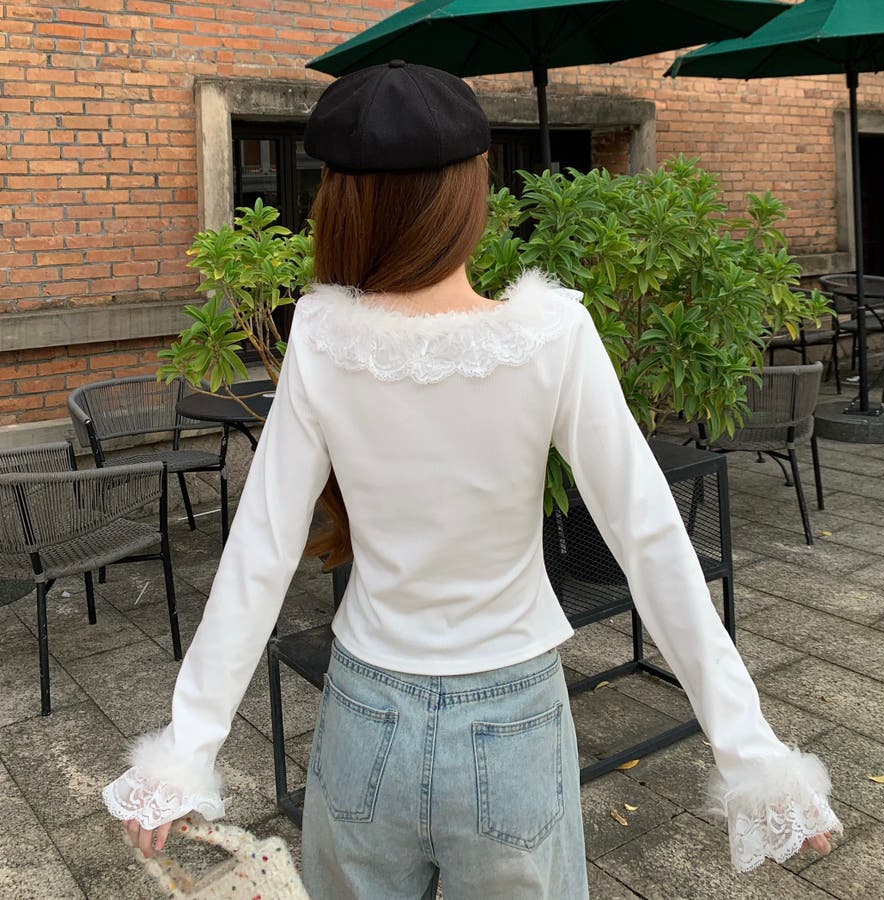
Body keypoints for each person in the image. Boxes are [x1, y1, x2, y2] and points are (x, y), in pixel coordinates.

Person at [104, 61, 841, 899]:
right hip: (513, 721)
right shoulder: (551, 335)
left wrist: (188, 749)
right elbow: (650, 537)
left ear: (339, 201)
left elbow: (261, 550)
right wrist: (753, 757)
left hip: (364, 719)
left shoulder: (320, 336)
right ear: (473, 189)